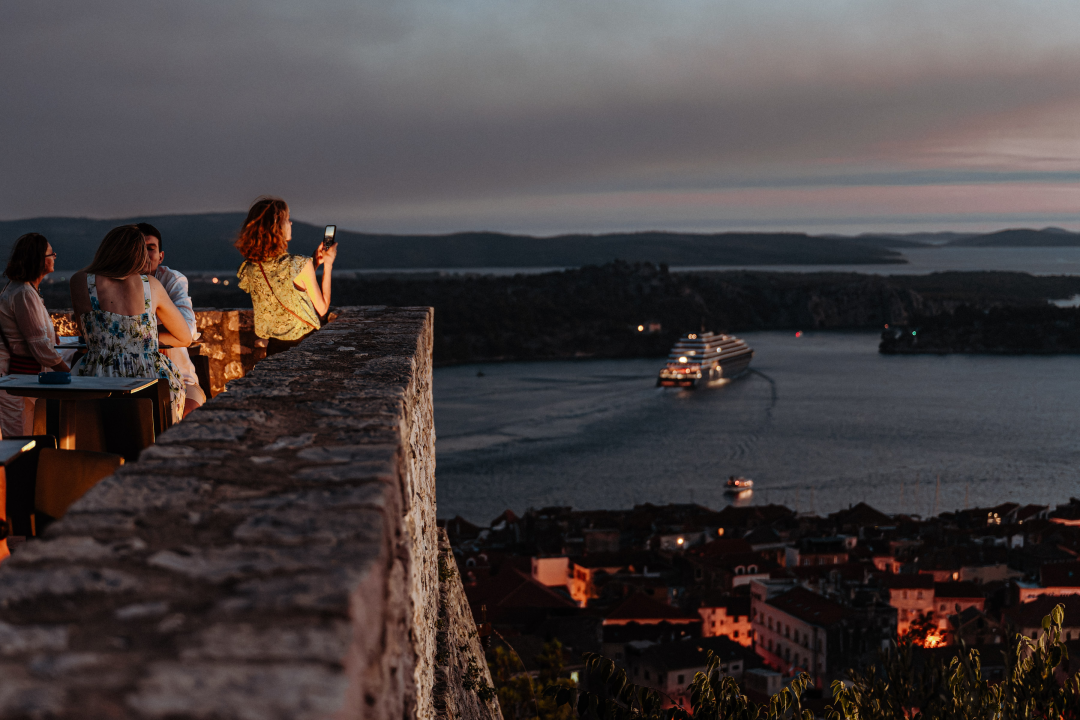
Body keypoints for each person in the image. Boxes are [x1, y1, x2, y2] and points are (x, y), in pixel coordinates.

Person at [69, 225, 192, 424]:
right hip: (149, 378)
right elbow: (184, 337)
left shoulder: (79, 282)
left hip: (97, 376)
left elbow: (84, 331)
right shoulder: (151, 285)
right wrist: (139, 338)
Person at [235, 197, 336, 357]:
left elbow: (283, 284)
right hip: (305, 345)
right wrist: (328, 264)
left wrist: (314, 262)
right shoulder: (298, 263)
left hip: (275, 348)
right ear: (277, 226)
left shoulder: (250, 267)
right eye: (287, 220)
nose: (291, 223)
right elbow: (322, 309)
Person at [0, 234, 71, 436]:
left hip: (19, 378)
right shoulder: (23, 293)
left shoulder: (24, 289)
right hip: (12, 380)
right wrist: (69, 376)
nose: (55, 257)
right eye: (51, 253)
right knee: (18, 441)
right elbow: (40, 348)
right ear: (39, 259)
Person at [137, 222, 204, 417]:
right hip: (136, 376)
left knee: (188, 414)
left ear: (160, 256)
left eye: (151, 248)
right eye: (139, 248)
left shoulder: (171, 280)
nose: (145, 254)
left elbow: (188, 330)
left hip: (181, 378)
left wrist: (139, 340)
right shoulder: (118, 284)